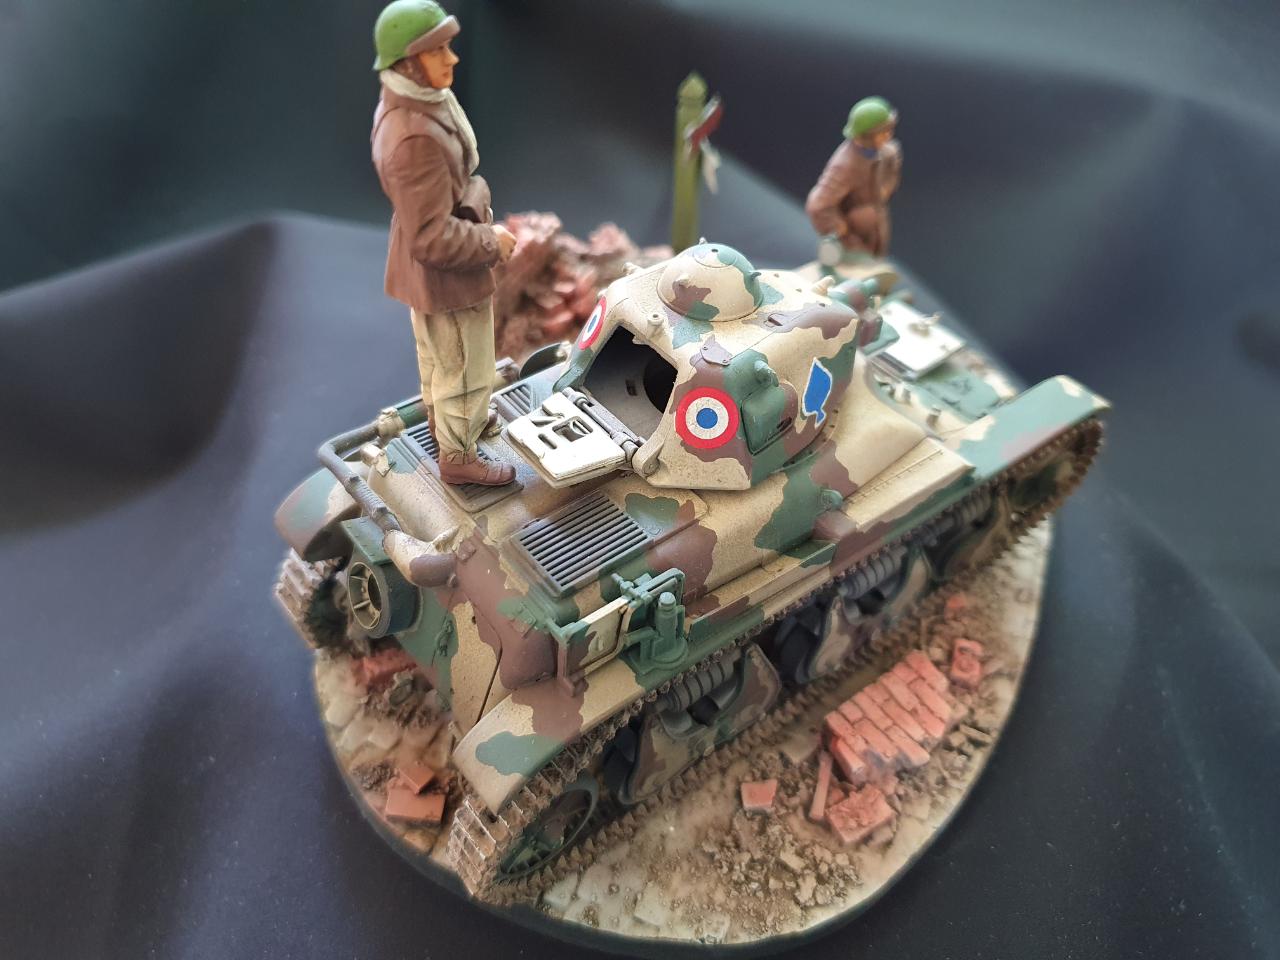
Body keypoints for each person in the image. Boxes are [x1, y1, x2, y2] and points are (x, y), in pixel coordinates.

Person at [370, 0, 518, 486]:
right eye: (437, 51)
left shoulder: (419, 105)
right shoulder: (413, 139)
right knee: (465, 366)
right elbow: (432, 237)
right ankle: (459, 457)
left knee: (443, 360)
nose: (451, 58)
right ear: (409, 64)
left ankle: (456, 426)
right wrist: (491, 242)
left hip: (442, 268)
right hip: (448, 275)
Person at [805, 96, 902, 258]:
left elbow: (892, 167)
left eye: (889, 131)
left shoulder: (886, 151)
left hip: (874, 231)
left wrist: (884, 190)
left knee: (875, 262)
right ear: (867, 135)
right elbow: (818, 205)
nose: (888, 136)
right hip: (850, 242)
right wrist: (840, 229)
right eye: (883, 132)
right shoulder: (844, 166)